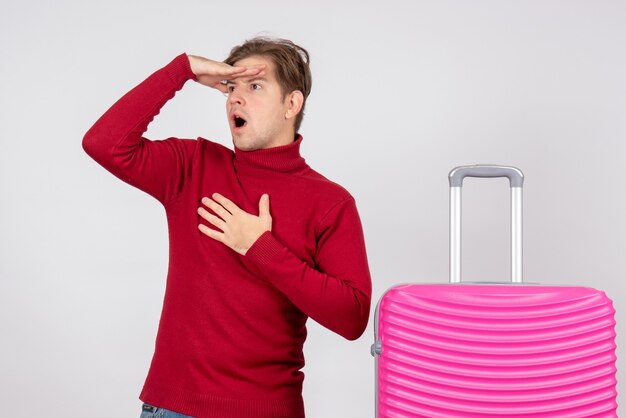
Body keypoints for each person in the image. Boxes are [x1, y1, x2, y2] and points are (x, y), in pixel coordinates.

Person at [83, 37, 372, 418]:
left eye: (254, 86)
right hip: (173, 408)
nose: (236, 98)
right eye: (231, 87)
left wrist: (260, 248)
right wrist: (181, 70)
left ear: (292, 104)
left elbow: (352, 316)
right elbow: (104, 144)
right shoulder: (193, 166)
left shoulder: (330, 202)